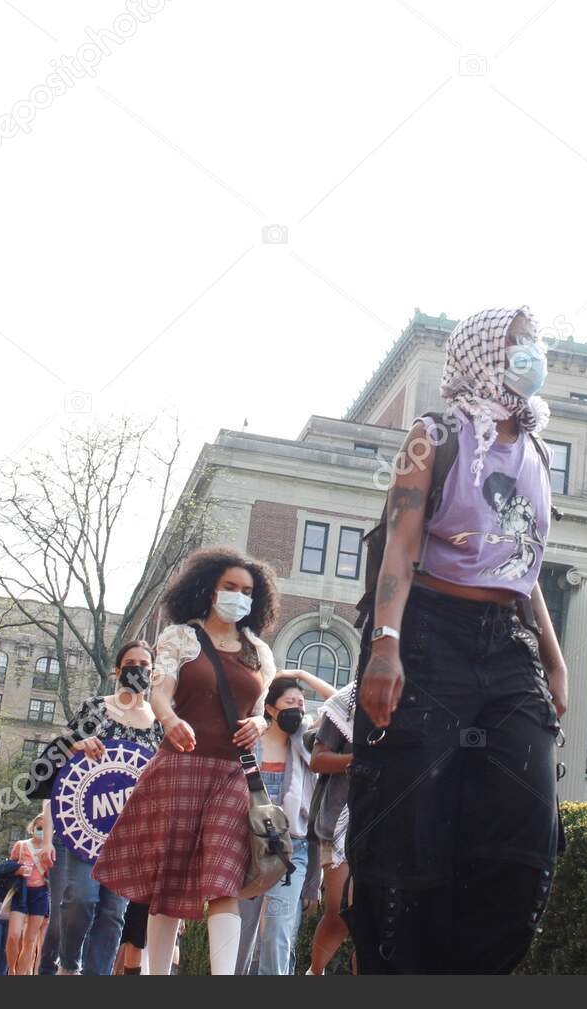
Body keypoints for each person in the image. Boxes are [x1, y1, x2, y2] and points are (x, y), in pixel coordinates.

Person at [350, 306, 568, 974]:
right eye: (514, 343)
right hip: (430, 633)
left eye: (533, 341)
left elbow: (522, 564)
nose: (530, 352)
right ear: (480, 354)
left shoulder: (534, 447)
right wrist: (385, 645)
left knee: (526, 832)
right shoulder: (433, 432)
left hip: (509, 644)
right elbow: (401, 542)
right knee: (412, 825)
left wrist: (553, 661)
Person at [94, 546, 280, 975]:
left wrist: (261, 726)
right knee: (171, 880)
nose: (238, 596)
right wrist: (170, 718)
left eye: (247, 590)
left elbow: (259, 711)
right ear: (209, 589)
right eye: (229, 587)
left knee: (224, 879)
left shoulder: (260, 653)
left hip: (234, 774)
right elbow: (161, 689)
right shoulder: (180, 636)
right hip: (179, 766)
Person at [27, 640, 163, 975]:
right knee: (82, 899)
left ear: (153, 673)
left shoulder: (161, 720)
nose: (137, 669)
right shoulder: (95, 709)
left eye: (144, 665)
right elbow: (53, 764)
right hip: (85, 824)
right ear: (116, 671)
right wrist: (76, 744)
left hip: (130, 836)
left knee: (113, 911)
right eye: (130, 663)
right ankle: (69, 964)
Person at [237, 670, 327, 974]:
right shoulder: (250, 744)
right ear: (271, 708)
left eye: (302, 704)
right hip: (247, 847)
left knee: (278, 931)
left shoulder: (308, 745)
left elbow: (341, 703)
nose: (298, 710)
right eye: (290, 702)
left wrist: (302, 675)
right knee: (241, 935)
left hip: (292, 850)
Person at [307, 681, 355, 974]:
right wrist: (360, 760)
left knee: (369, 918)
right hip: (333, 825)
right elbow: (317, 760)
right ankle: (315, 972)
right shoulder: (347, 699)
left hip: (389, 824)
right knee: (338, 912)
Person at [6, 817, 56, 975]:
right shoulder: (21, 846)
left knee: (30, 940)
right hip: (21, 891)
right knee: (13, 936)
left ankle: (21, 974)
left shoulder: (51, 850)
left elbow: (53, 876)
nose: (40, 831)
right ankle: (11, 969)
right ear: (32, 827)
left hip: (40, 893)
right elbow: (8, 866)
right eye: (38, 827)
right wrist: (17, 870)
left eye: (44, 828)